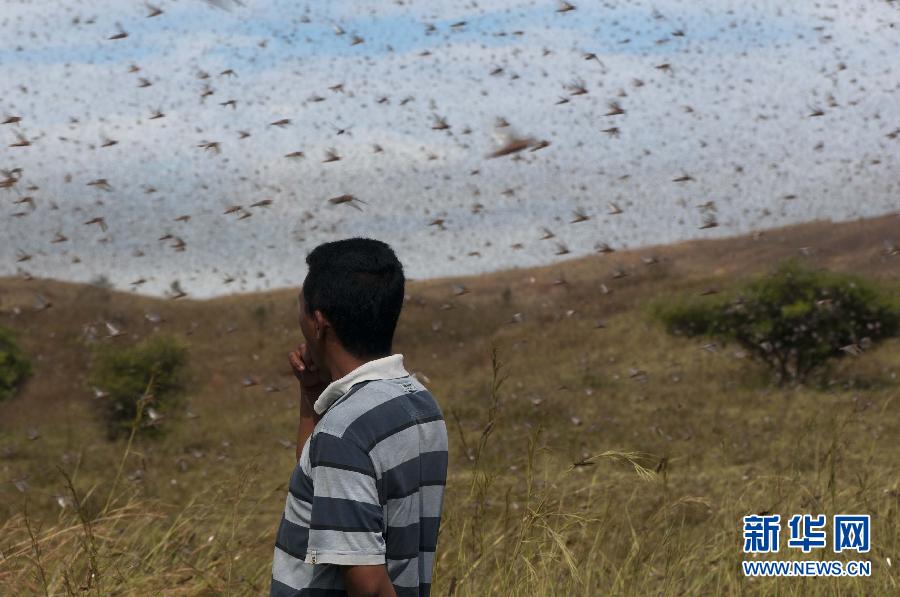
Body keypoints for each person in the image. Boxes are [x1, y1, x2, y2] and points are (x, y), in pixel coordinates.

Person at [270, 238, 448, 597]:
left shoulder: (343, 434)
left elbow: (368, 587)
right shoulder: (419, 404)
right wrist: (310, 396)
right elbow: (325, 481)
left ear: (319, 323)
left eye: (302, 308)